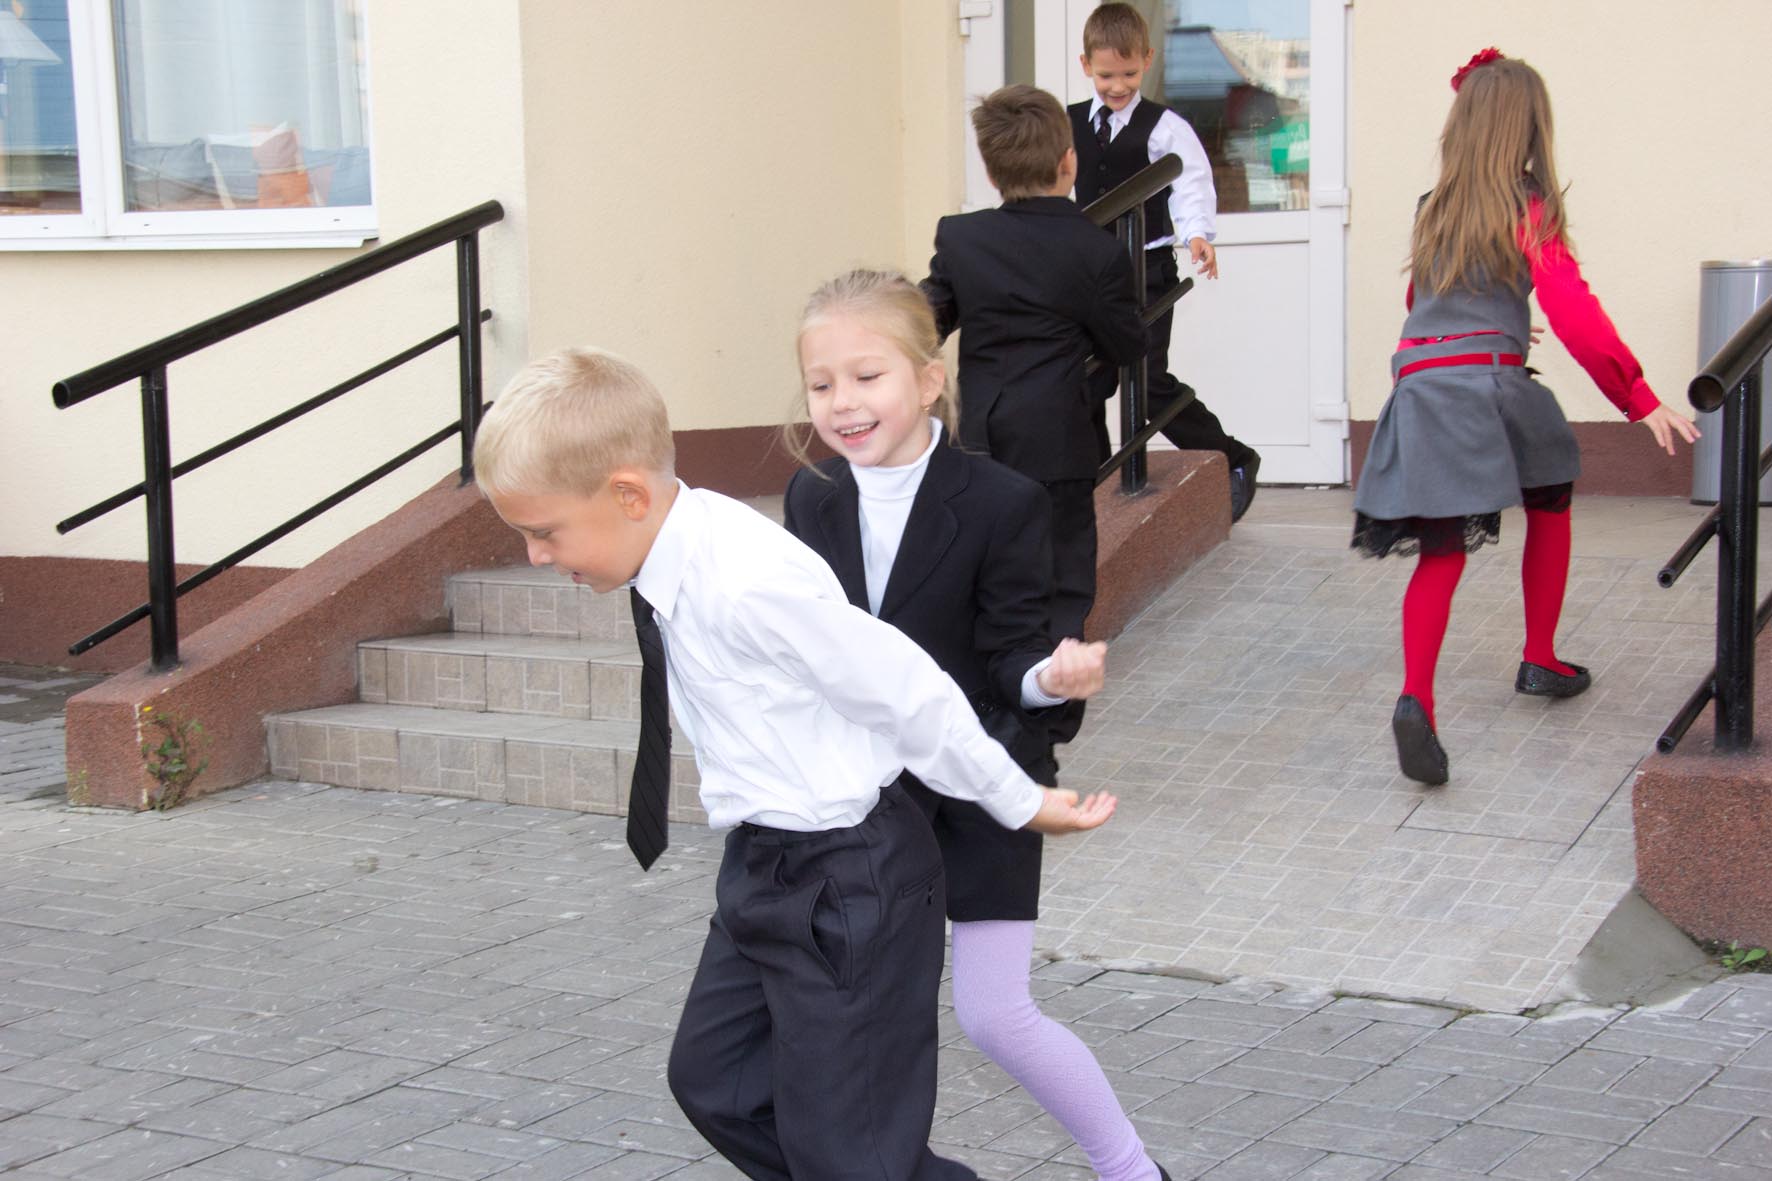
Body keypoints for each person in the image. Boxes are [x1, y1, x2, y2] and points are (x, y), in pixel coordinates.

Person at [471, 347, 1117, 1181]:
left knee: (850, 1153)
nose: (534, 555)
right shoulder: (669, 549)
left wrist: (1017, 798)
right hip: (764, 861)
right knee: (720, 1085)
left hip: (850, 878)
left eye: (543, 532)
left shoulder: (745, 582)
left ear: (628, 495)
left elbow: (905, 686)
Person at [782, 270, 1174, 1181]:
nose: (843, 402)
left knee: (995, 1015)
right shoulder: (811, 498)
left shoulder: (1002, 500)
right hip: (865, 802)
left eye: (867, 376)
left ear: (928, 380)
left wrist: (1048, 675)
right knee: (863, 1008)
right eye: (822, 383)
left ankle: (1133, 1171)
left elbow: (1009, 657)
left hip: (981, 781)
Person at [1351, 50, 1698, 786]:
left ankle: (1416, 699)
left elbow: (1423, 304)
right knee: (1552, 488)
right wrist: (1637, 396)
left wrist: (1502, 317)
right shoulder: (1528, 204)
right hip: (1484, 383)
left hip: (1420, 383)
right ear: (1528, 129)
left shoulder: (1433, 205)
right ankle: (1539, 656)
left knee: (1444, 547)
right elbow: (1573, 309)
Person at [920, 83, 1146, 646]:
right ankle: (1048, 680)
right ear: (1069, 161)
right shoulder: (1097, 249)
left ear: (990, 171)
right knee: (1061, 581)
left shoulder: (963, 238)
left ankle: (989, 673)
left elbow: (927, 321)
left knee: (982, 565)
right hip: (1058, 441)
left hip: (979, 436)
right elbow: (1127, 344)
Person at [1069, 1, 1263, 521]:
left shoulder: (1164, 125)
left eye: (1129, 74)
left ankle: (1234, 459)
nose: (1118, 86)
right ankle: (1094, 487)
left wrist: (1197, 234)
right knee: (1088, 382)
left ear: (1147, 61)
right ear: (1086, 65)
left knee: (1149, 385)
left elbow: (1191, 181)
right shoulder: (1069, 124)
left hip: (1147, 272)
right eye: (1106, 75)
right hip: (1089, 277)